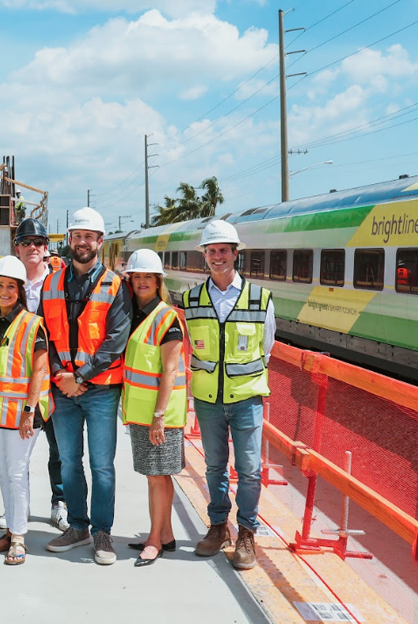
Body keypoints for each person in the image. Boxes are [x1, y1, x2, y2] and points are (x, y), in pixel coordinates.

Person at [182, 219, 274, 571]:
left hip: (247, 398)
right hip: (207, 399)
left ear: (236, 254)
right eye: (211, 251)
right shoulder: (192, 299)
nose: (217, 257)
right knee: (214, 466)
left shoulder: (259, 298)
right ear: (204, 256)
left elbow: (267, 348)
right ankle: (218, 527)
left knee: (249, 469)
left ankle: (247, 533)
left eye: (223, 250)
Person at [41, 207, 130, 566]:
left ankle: (102, 532)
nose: (82, 242)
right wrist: (60, 374)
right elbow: (43, 334)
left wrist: (79, 377)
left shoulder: (115, 285)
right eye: (76, 236)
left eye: (88, 236)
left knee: (101, 464)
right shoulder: (51, 283)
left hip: (100, 390)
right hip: (63, 388)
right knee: (68, 462)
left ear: (99, 242)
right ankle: (77, 526)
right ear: (70, 240)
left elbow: (115, 341)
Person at [0, 256, 50, 565]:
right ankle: (10, 532)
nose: (4, 292)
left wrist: (30, 410)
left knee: (17, 473)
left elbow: (40, 370)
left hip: (22, 415)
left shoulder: (33, 324)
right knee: (4, 472)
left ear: (20, 290)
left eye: (11, 287)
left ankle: (18, 537)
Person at [0, 218, 67, 532]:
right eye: (26, 242)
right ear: (18, 247)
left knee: (59, 447)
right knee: (17, 453)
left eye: (38, 242)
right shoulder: (11, 282)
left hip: (55, 378)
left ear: (46, 247)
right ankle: (16, 510)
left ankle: (59, 504)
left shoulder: (59, 282)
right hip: (20, 383)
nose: (32, 248)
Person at [120, 249, 188, 567]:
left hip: (161, 416)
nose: (142, 281)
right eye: (137, 276)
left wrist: (159, 417)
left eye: (148, 276)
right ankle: (166, 535)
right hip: (141, 413)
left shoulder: (166, 317)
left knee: (156, 476)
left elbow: (170, 370)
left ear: (158, 281)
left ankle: (153, 541)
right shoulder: (133, 312)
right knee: (156, 475)